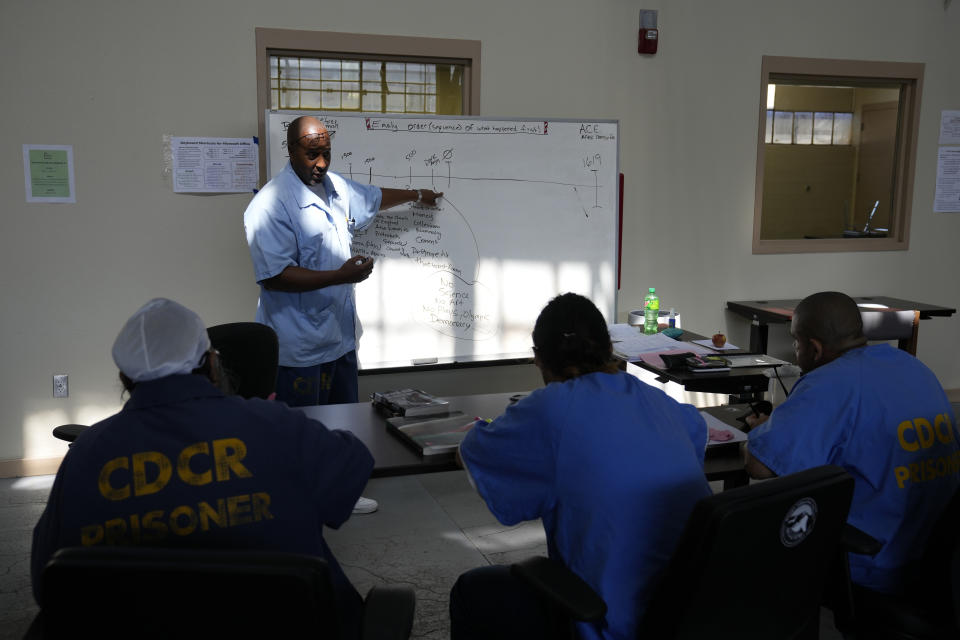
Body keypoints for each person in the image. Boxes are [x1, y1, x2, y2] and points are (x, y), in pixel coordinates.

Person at [31, 298, 375, 638]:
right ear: (212, 363)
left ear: (124, 378)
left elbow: (47, 581)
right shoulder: (275, 426)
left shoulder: (85, 455)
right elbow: (353, 468)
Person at [449, 293, 712, 640]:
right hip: (692, 610)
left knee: (472, 589)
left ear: (538, 359)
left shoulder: (549, 409)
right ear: (609, 349)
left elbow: (473, 452)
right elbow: (697, 437)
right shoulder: (657, 399)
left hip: (610, 618)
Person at [244, 116, 441, 514]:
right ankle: (298, 505)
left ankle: (340, 493)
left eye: (326, 153)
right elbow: (276, 276)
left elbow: (370, 196)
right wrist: (342, 275)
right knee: (303, 430)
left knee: (344, 422)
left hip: (339, 337)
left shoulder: (333, 188)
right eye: (311, 153)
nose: (320, 162)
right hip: (298, 345)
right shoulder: (269, 204)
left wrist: (418, 194)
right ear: (291, 150)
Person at [745, 291, 959, 598]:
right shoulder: (911, 366)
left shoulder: (828, 382)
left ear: (815, 348)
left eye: (796, 341)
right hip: (940, 556)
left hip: (878, 563)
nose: (794, 349)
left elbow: (758, 465)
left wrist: (762, 430)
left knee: (747, 537)